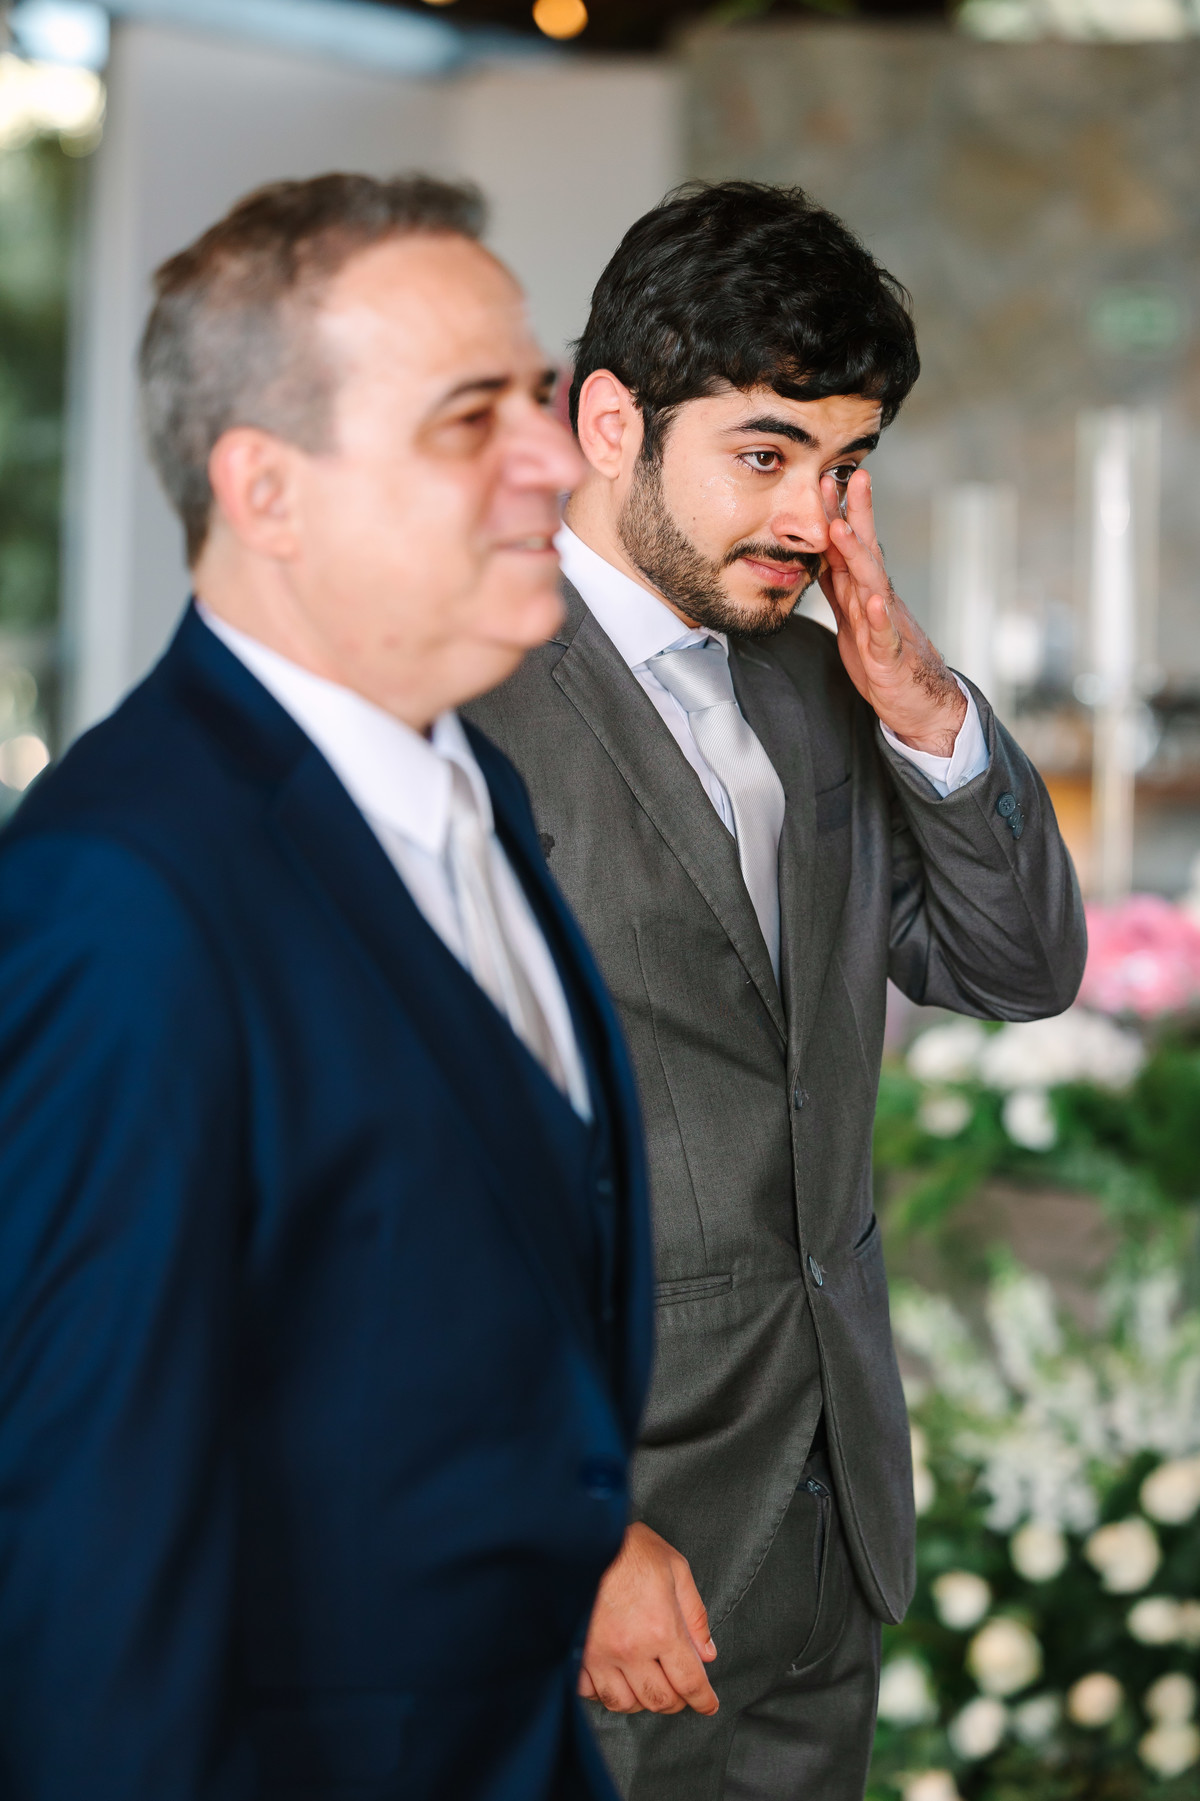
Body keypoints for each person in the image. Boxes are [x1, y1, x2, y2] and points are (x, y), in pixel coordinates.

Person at [0, 173, 653, 1801]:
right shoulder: (121, 892)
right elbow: (88, 1562)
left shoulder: (475, 796)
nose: (556, 459)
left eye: (541, 394)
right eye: (467, 418)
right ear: (265, 489)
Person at [467, 180, 1086, 1800]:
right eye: (766, 453)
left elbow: (1016, 966)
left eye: (847, 463)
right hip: (609, 1558)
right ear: (611, 421)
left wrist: (926, 708)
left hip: (825, 1537)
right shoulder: (461, 698)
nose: (815, 519)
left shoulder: (823, 688)